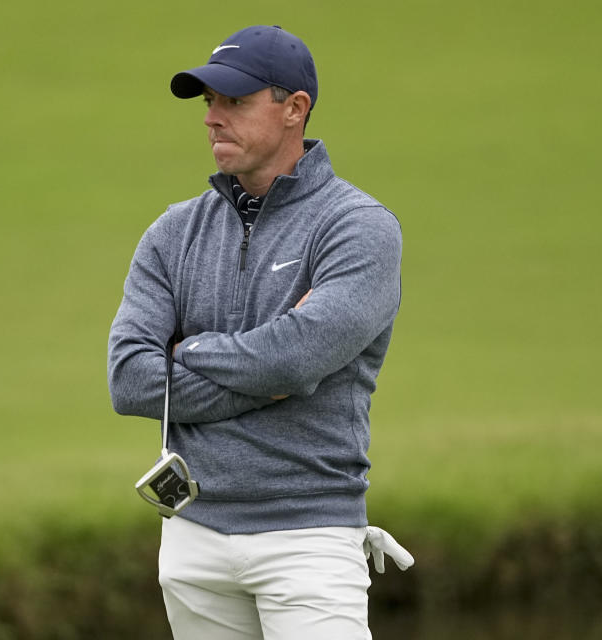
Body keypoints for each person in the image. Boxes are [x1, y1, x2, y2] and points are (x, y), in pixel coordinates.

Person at [107, 25, 412, 639]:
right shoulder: (173, 233)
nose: (212, 118)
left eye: (235, 101)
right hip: (193, 536)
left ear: (294, 108)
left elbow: (297, 361)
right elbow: (131, 381)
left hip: (310, 540)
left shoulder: (358, 228)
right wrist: (274, 372)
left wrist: (186, 352)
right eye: (208, 102)